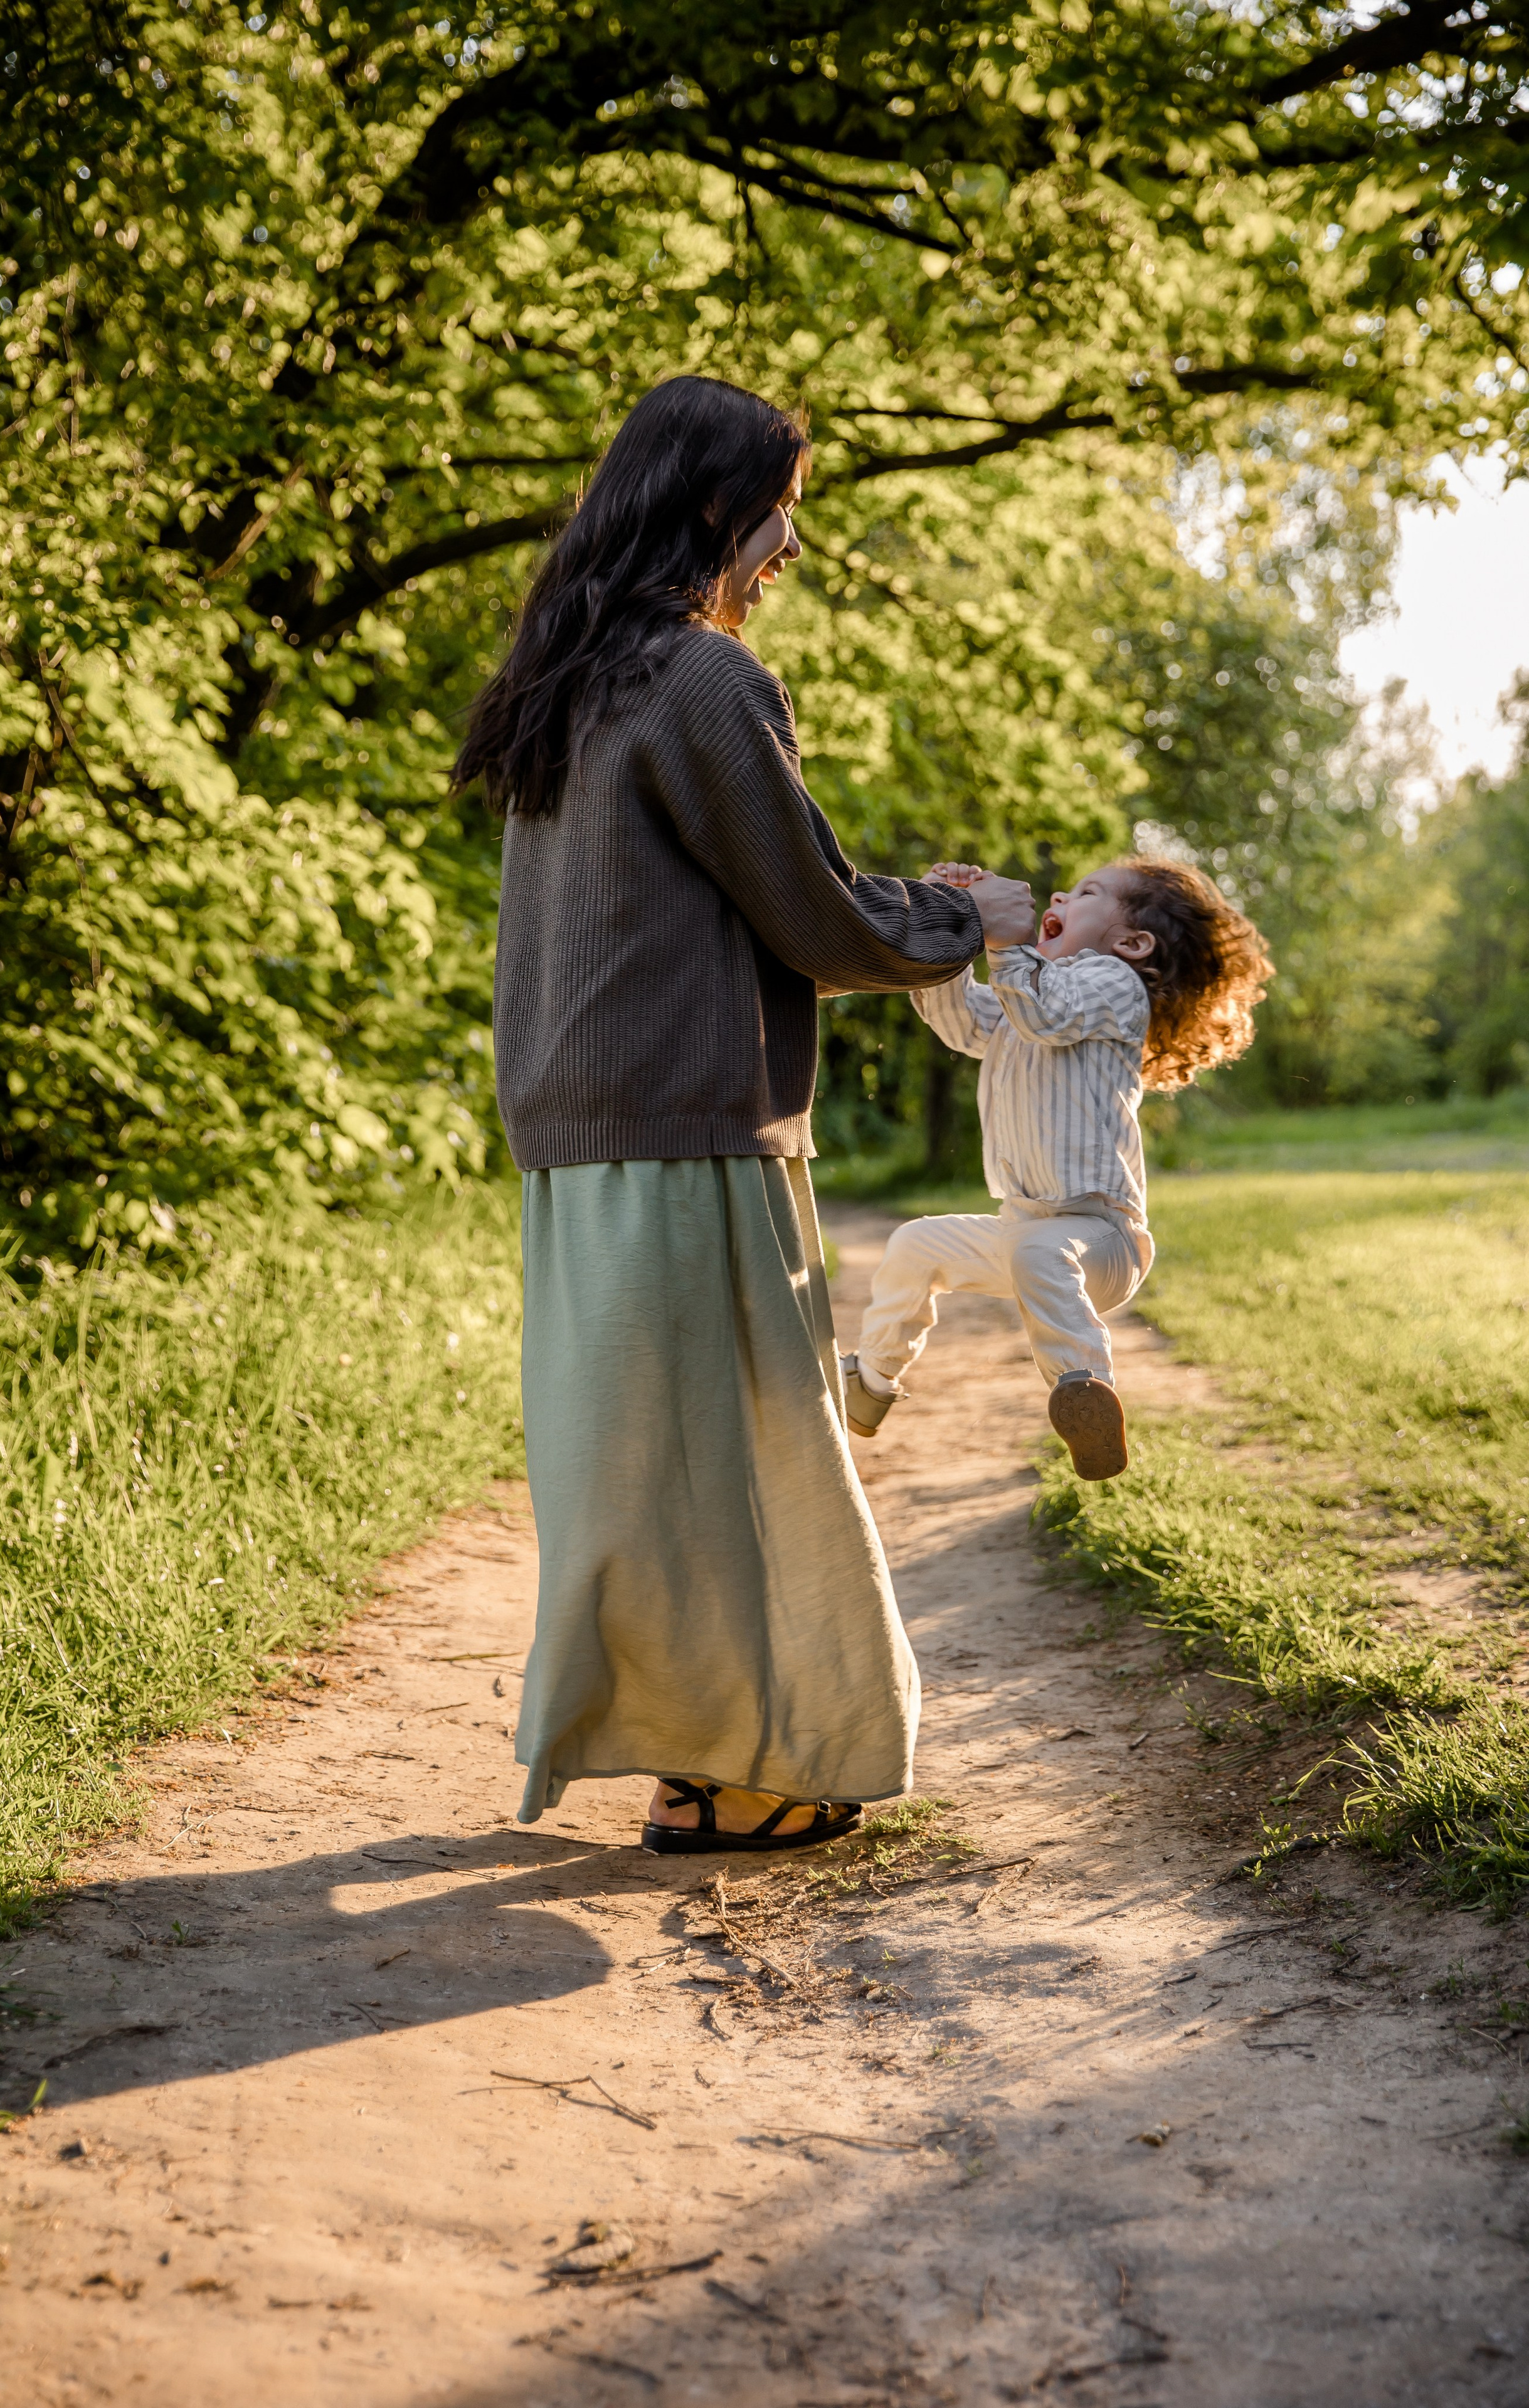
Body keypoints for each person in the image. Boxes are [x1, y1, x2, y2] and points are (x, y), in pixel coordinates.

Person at [458, 376, 1010, 1854]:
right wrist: (958, 918)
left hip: (576, 1140)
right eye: (784, 512)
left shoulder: (568, 678)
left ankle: (704, 1763)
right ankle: (750, 1765)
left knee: (647, 1467)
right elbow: (815, 917)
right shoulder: (703, 682)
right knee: (755, 1452)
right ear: (719, 508)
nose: (790, 547)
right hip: (694, 1128)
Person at [842, 857, 1272, 1479]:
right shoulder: (1029, 994)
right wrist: (949, 925)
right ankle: (871, 1381)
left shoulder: (1109, 986)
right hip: (1023, 1229)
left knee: (1042, 1254)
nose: (1063, 895)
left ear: (1130, 942)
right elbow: (963, 1022)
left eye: (1089, 893)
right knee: (917, 1244)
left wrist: (1008, 940)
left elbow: (1045, 1011)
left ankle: (1086, 1391)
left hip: (1101, 1239)